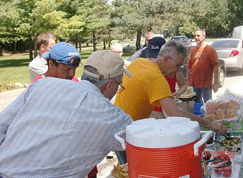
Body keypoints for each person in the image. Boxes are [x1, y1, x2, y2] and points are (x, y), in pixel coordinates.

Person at [0, 51, 133, 178]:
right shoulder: (113, 117)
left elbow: (2, 125)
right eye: (118, 85)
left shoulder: (42, 84)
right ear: (109, 85)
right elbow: (143, 141)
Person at [114, 40, 226, 164]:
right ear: (166, 59)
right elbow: (175, 113)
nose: (179, 70)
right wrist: (209, 124)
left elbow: (144, 103)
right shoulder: (156, 78)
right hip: (127, 134)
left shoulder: (139, 63)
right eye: (178, 65)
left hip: (117, 126)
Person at [146, 37, 187, 118]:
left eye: (156, 56)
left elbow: (183, 85)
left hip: (168, 109)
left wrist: (177, 93)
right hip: (152, 110)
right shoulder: (146, 68)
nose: (154, 60)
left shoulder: (175, 68)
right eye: (151, 56)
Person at [187, 28, 219, 103]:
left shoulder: (210, 50)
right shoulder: (192, 50)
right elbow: (189, 67)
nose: (196, 38)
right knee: (196, 104)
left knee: (208, 105)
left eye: (198, 36)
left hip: (206, 84)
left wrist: (216, 83)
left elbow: (216, 67)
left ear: (204, 37)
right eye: (195, 36)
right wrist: (188, 81)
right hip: (195, 84)